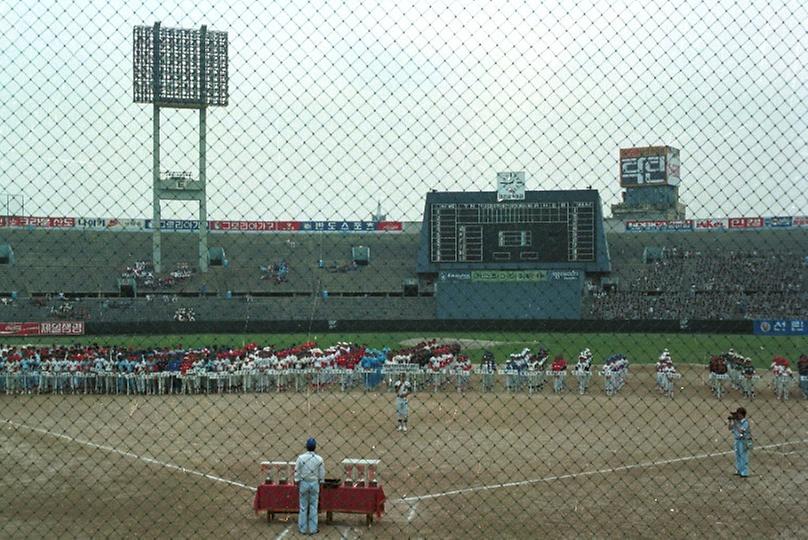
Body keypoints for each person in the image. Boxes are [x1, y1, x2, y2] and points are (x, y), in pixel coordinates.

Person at [295, 437, 325, 535]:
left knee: (303, 506)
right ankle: (313, 529)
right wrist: (321, 482)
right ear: (315, 447)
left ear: (306, 447)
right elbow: (322, 474)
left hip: (304, 483)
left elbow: (297, 471)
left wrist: (297, 481)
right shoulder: (319, 459)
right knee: (313, 506)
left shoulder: (300, 458)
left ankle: (302, 529)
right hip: (314, 483)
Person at [728, 407, 752, 478]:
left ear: (742, 415)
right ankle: (738, 470)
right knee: (737, 456)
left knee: (743, 456)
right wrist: (730, 422)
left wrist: (735, 423)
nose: (737, 416)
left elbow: (741, 431)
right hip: (737, 440)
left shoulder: (745, 422)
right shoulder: (737, 421)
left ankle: (744, 472)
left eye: (738, 414)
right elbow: (730, 428)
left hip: (744, 441)